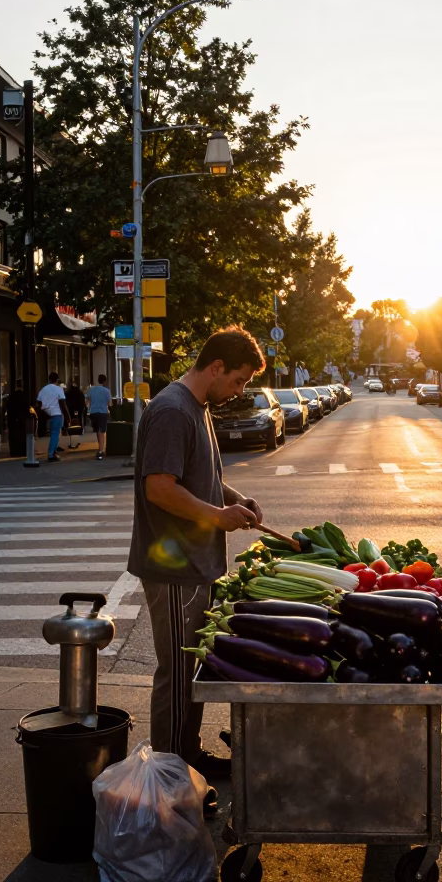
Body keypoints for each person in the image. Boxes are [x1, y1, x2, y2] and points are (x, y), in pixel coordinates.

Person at [128, 327, 265, 776]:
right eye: (239, 380)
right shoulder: (172, 411)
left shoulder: (198, 407)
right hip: (174, 566)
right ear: (217, 366)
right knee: (176, 676)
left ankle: (189, 757)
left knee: (192, 670)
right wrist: (215, 517)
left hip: (195, 563)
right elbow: (161, 489)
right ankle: (168, 775)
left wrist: (234, 500)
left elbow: (196, 478)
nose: (239, 390)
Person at [36, 372, 68, 462]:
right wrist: (67, 415)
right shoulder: (59, 389)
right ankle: (51, 454)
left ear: (49, 379)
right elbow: (62, 403)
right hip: (56, 414)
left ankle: (53, 452)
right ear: (57, 380)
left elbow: (39, 402)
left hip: (46, 415)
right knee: (55, 434)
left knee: (52, 434)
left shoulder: (43, 390)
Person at [3, 378, 34, 457]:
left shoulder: (11, 396)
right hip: (22, 419)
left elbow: (8, 407)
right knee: (22, 435)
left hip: (13, 419)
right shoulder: (25, 396)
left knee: (13, 435)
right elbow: (27, 407)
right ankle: (22, 451)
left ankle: (14, 451)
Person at [86, 374, 112, 460]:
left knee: (97, 431)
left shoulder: (91, 389)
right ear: (105, 381)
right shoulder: (107, 391)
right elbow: (109, 403)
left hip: (93, 412)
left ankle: (100, 448)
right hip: (103, 412)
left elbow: (86, 401)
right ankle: (101, 451)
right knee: (102, 431)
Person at [64, 382, 86, 449]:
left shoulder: (67, 393)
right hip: (78, 412)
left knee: (71, 426)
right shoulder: (80, 393)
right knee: (77, 426)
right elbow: (82, 403)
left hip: (70, 412)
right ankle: (76, 441)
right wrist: (81, 411)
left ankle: (72, 442)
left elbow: (65, 402)